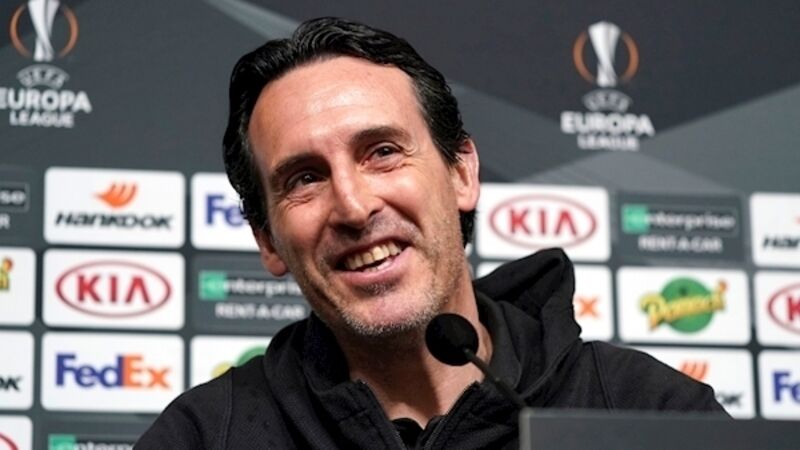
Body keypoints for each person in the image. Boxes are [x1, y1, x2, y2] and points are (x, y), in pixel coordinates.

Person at [136, 17, 726, 449]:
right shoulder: (203, 437)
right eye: (305, 178)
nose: (353, 206)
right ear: (267, 239)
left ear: (461, 173)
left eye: (382, 152)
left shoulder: (647, 414)